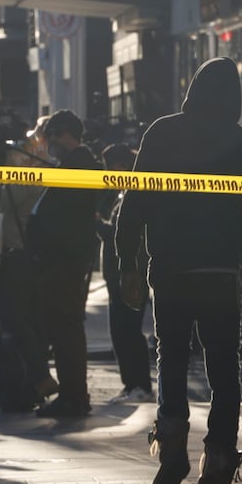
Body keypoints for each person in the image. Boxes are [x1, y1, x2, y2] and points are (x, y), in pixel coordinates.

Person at [115, 57, 242, 484]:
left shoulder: (162, 132)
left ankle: (171, 448)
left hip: (169, 270)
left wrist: (127, 262)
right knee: (225, 370)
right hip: (220, 274)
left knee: (170, 357)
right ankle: (216, 476)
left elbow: (136, 201)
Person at [28, 110, 104, 419]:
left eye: (51, 136)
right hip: (58, 260)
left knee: (66, 328)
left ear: (63, 134)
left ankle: (73, 394)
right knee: (61, 328)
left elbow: (67, 217)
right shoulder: (71, 165)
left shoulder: (81, 165)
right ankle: (72, 392)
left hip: (65, 261)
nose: (49, 144)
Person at [98, 144, 153, 402]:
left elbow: (121, 233)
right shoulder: (123, 193)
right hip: (116, 271)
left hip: (130, 272)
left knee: (128, 329)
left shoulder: (135, 192)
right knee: (120, 330)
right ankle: (131, 382)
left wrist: (97, 223)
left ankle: (139, 383)